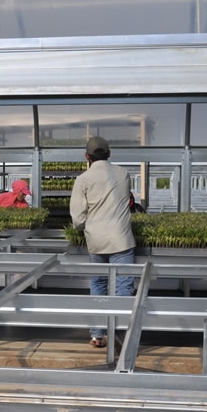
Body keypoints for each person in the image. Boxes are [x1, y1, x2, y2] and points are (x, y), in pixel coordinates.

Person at [70, 136, 137, 348]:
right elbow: (126, 200)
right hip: (121, 237)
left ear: (86, 157)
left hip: (96, 239)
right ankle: (120, 336)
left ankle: (97, 335)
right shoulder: (123, 173)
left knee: (99, 283)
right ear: (109, 153)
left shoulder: (83, 179)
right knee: (123, 285)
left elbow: (78, 217)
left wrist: (84, 227)